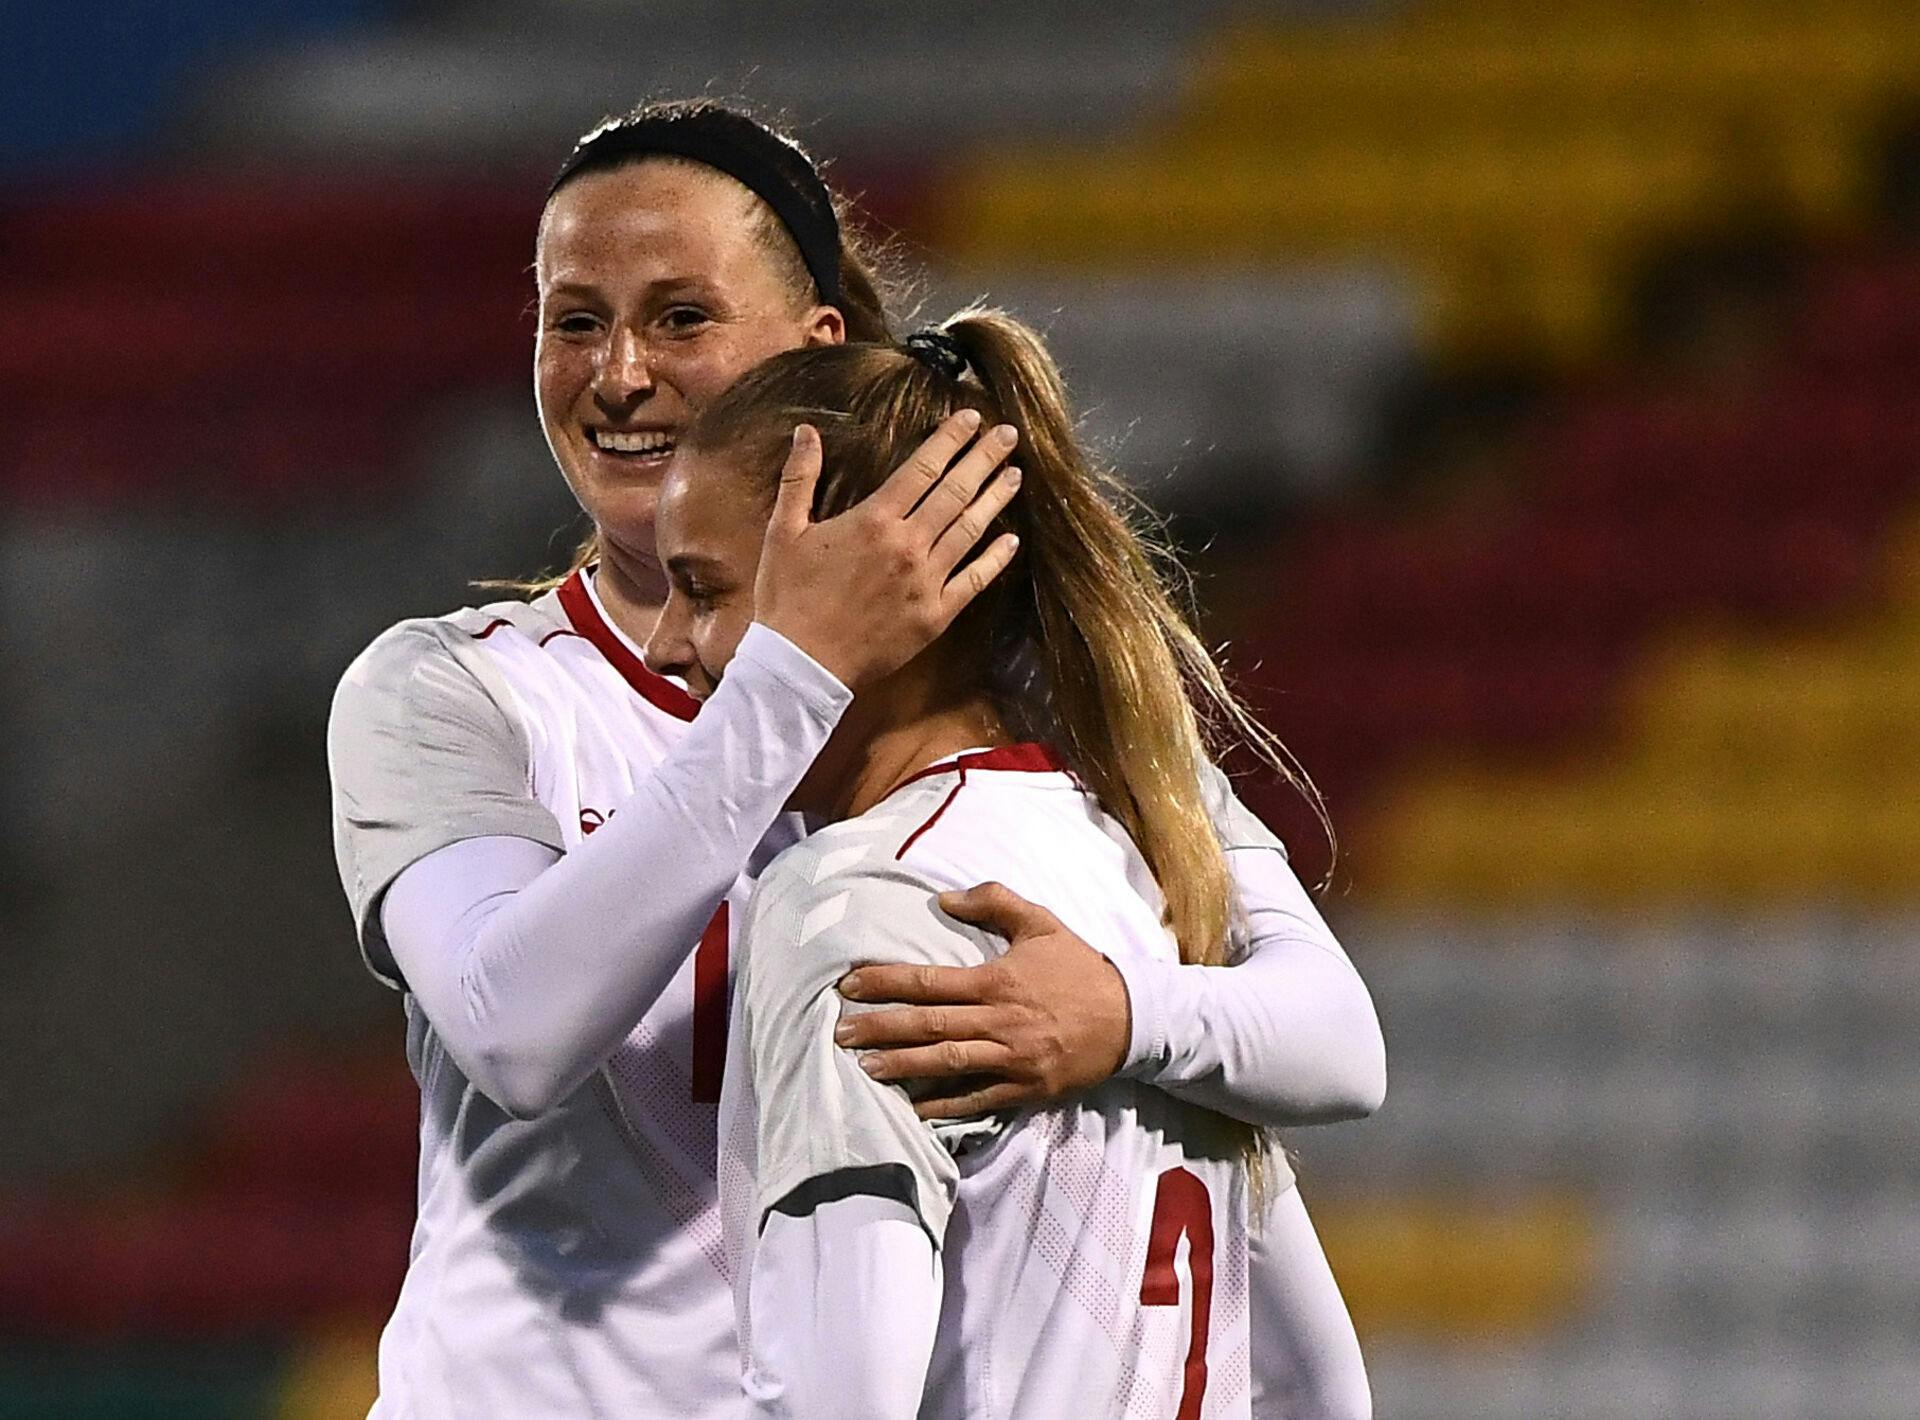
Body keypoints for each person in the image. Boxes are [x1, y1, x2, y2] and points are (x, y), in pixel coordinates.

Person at [327, 99, 1381, 1419]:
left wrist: (1121, 1014)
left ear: (815, 347)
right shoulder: (453, 687)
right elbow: (516, 1029)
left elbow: (1331, 1039)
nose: (618, 374)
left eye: (681, 317)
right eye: (573, 318)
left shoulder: (1014, 716)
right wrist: (793, 672)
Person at [645, 310, 1368, 1418]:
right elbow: (1319, 1384)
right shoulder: (1142, 856)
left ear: (869, 586)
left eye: (702, 589)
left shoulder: (861, 901)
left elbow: (842, 1398)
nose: (667, 643)